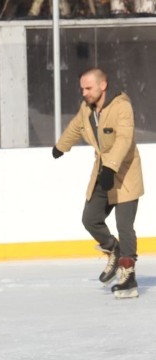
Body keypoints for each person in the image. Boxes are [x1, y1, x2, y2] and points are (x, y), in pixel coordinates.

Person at [52, 67, 144, 299]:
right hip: (103, 172)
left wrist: (111, 167)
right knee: (90, 219)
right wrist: (61, 146)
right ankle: (113, 249)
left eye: (88, 88)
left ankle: (128, 276)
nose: (84, 93)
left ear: (103, 86)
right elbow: (76, 126)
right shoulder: (87, 109)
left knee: (125, 226)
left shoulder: (122, 106)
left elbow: (124, 139)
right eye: (82, 88)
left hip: (124, 175)